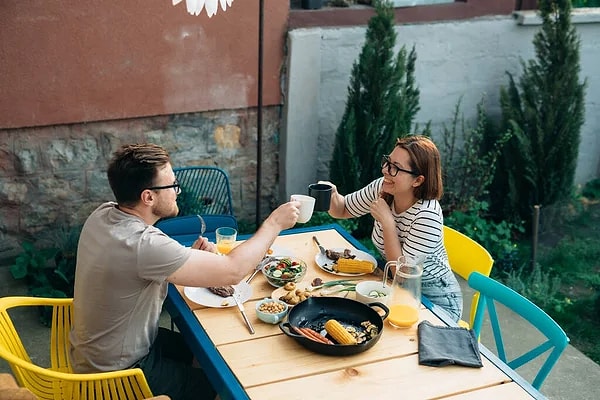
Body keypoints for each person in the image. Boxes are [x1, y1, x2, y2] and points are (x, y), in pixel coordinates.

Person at [69, 143, 301, 400]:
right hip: (117, 374)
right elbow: (233, 271)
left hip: (96, 349)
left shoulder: (103, 214)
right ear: (148, 197)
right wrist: (274, 223)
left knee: (209, 355)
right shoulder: (143, 244)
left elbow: (140, 263)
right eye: (172, 185)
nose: (178, 191)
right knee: (225, 387)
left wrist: (187, 257)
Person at [322, 135, 463, 322]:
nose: (385, 170)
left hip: (436, 301)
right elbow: (343, 209)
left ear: (418, 180)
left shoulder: (427, 215)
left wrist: (388, 223)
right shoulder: (384, 187)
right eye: (387, 161)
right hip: (396, 288)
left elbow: (402, 275)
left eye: (395, 167)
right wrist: (332, 195)